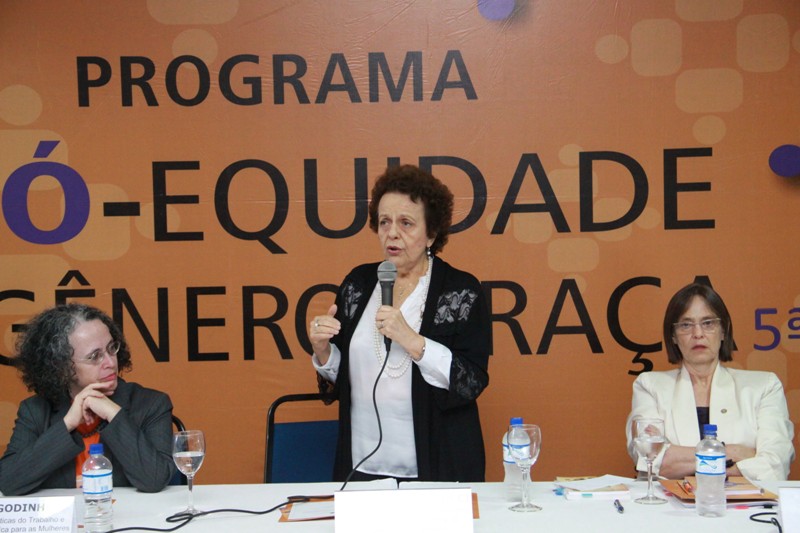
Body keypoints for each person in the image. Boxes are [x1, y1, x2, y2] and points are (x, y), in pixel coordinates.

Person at [309, 164, 491, 482]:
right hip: (362, 464)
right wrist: (323, 352)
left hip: (439, 466)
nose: (392, 233)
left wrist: (413, 341)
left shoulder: (461, 291)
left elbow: (471, 382)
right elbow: (348, 378)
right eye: (384, 222)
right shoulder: (358, 284)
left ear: (431, 233)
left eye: (406, 223)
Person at [0, 303, 176, 495]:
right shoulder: (35, 411)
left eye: (111, 348)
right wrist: (68, 423)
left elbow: (154, 479)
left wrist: (113, 414)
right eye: (95, 356)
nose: (110, 362)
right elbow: (8, 482)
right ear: (62, 366)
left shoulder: (151, 404)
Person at [626, 283, 795, 481]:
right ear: (673, 336)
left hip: (745, 500)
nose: (698, 333)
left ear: (723, 331)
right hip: (670, 501)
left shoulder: (764, 386)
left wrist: (681, 460)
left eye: (708, 323)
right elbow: (651, 460)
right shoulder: (650, 386)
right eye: (686, 325)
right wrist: (734, 452)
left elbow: (774, 465)